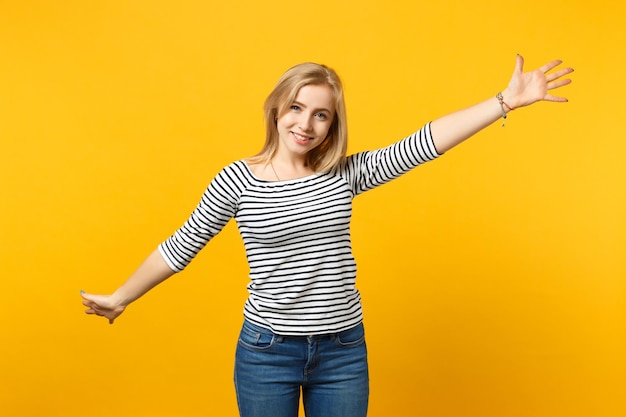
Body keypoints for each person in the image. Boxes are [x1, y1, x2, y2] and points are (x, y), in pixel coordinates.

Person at [81, 55, 573, 417]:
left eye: (322, 114)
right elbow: (180, 246)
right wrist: (123, 296)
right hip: (267, 352)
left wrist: (505, 101)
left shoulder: (343, 174)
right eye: (297, 107)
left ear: (333, 123)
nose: (306, 123)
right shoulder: (238, 180)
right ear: (277, 107)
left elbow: (424, 143)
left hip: (343, 350)